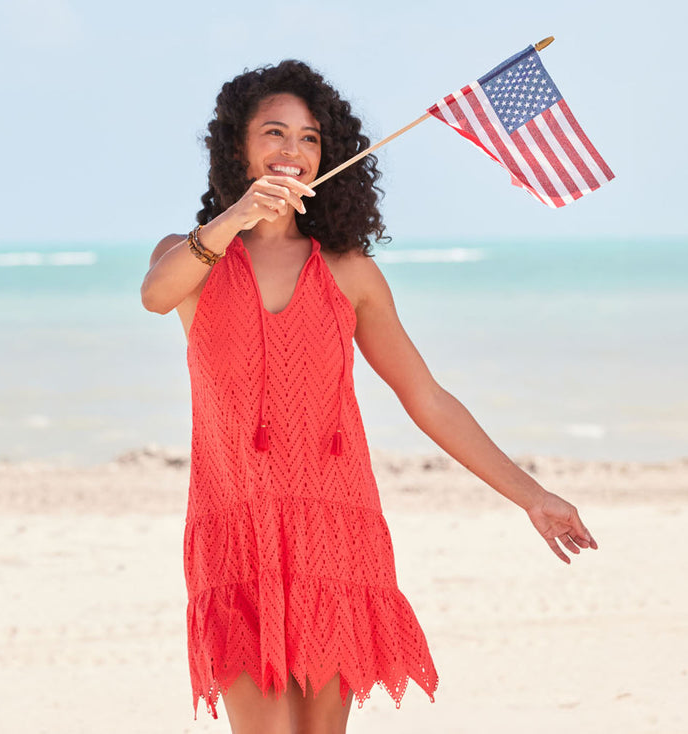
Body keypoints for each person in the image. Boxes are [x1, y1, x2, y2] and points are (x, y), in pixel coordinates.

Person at [140, 60, 598, 734]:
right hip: (236, 534)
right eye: (274, 133)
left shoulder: (349, 273)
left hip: (334, 531)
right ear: (237, 147)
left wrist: (533, 496)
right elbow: (154, 296)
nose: (291, 152)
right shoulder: (193, 257)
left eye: (310, 139)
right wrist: (238, 217)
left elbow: (426, 396)